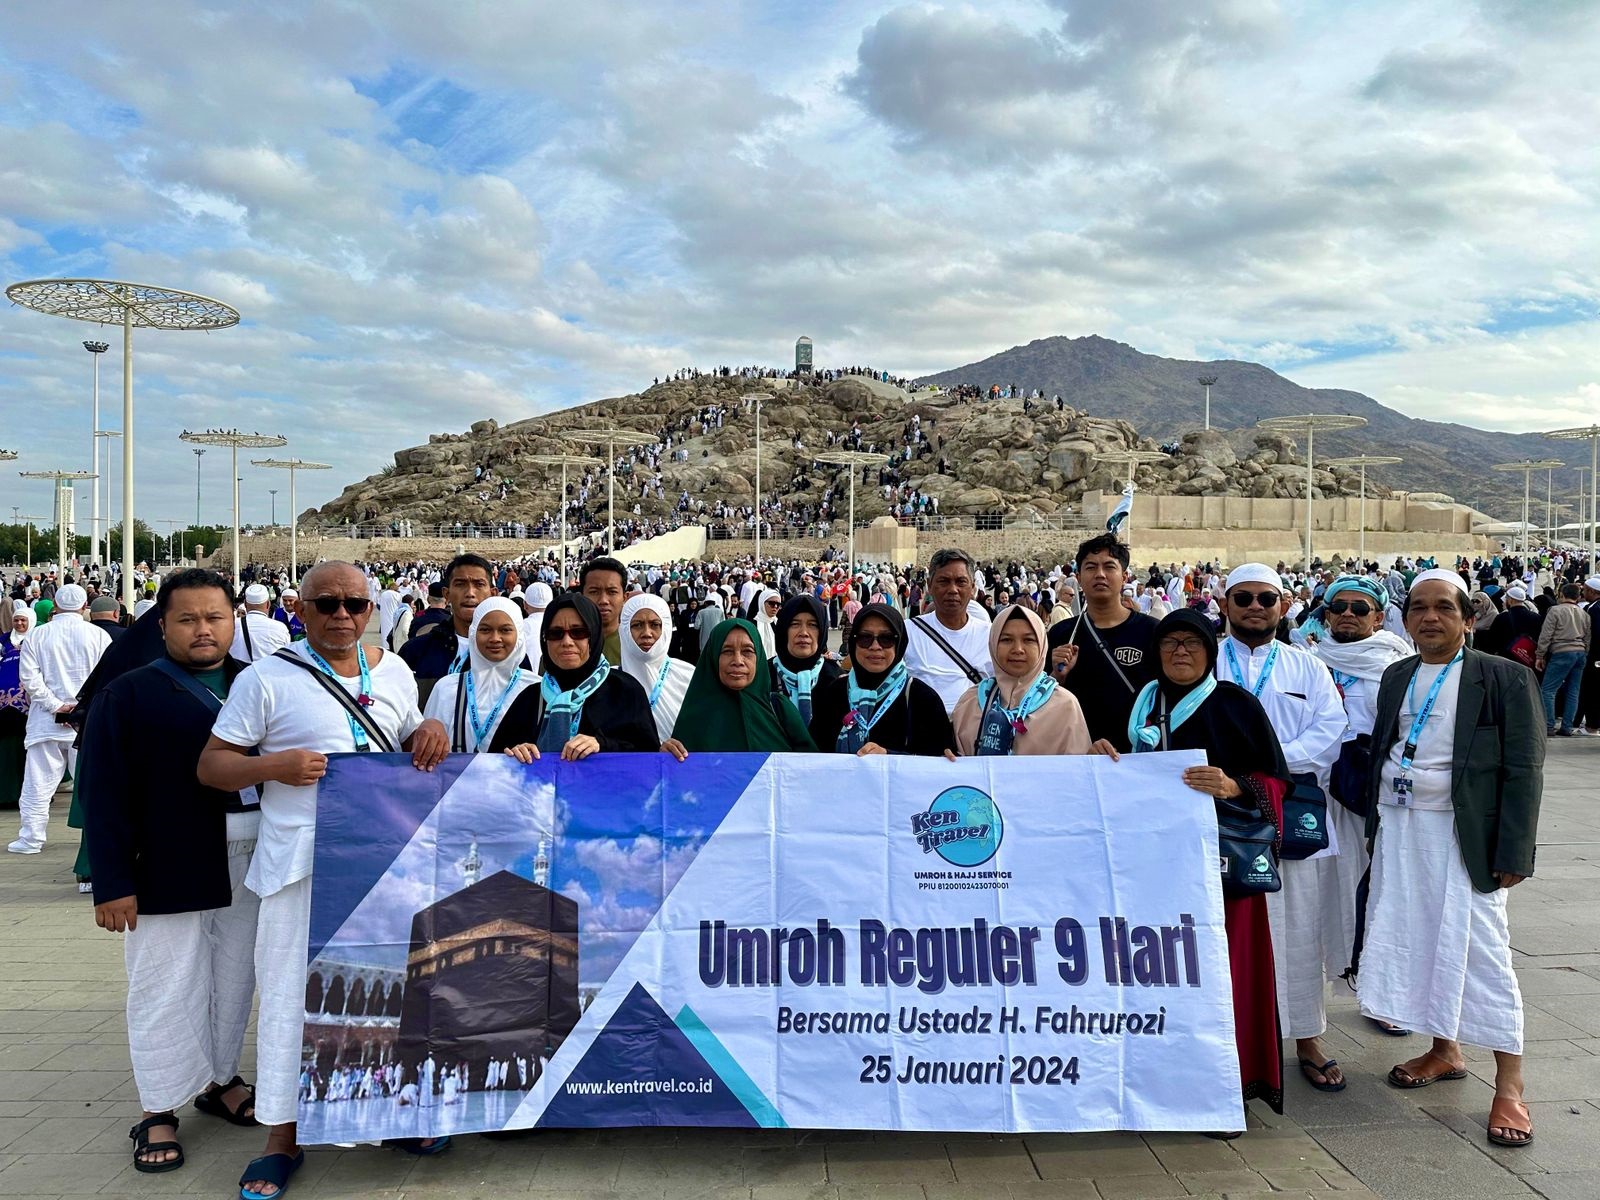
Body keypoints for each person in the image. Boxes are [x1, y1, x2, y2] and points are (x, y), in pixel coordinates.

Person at [198, 561, 451, 1196]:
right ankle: (282, 1135)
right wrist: (273, 766)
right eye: (328, 603)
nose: (342, 615)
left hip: (384, 860)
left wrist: (428, 727)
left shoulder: (392, 671)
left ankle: (389, 1114)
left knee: (390, 992)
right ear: (301, 610)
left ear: (372, 610)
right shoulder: (266, 678)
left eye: (355, 604)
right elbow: (212, 766)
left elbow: (407, 736)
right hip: (301, 867)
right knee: (291, 999)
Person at [80, 570, 261, 1175]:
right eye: (188, 619)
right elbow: (102, 791)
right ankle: (157, 1108)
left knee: (233, 977)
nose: (203, 630)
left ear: (234, 622)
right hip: (165, 860)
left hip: (253, 858)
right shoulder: (128, 693)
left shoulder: (259, 682)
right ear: (162, 626)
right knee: (165, 982)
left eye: (215, 617)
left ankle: (221, 1078)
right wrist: (112, 883)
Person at [1357, 568, 1543, 1150]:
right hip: (1400, 829)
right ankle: (1444, 1049)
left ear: (1468, 619)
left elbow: (1525, 768)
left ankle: (1509, 1085)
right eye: (1418, 607)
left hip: (1466, 838)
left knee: (1482, 952)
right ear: (1405, 617)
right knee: (1419, 939)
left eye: (1444, 607)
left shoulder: (1504, 677)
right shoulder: (1397, 674)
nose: (1430, 617)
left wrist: (1514, 849)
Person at [1106, 607, 1288, 1128]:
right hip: (1152, 867)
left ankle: (1225, 1088)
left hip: (1221, 870)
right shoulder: (1139, 705)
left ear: (1210, 651)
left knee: (1225, 974)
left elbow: (1277, 780)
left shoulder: (1235, 704)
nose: (1180, 651)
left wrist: (1233, 785)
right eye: (1170, 643)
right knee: (1160, 975)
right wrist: (1103, 752)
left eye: (1192, 642)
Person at [1217, 563, 1348, 1094]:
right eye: (1243, 597)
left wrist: (1264, 771)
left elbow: (1330, 731)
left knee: (1300, 929)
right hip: (1224, 816)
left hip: (1290, 813)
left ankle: (1307, 1038)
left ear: (1284, 605)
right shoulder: (1207, 663)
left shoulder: (1307, 667)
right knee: (1231, 932)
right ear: (1224, 605)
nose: (1255, 607)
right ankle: (1231, 1040)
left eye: (1265, 598)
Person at [1309, 575, 1413, 1037]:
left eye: (1360, 608)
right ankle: (1308, 997)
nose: (1348, 615)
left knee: (1379, 894)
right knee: (1315, 898)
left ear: (1378, 616)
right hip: (1316, 794)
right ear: (1327, 614)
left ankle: (1380, 993)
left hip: (1370, 797)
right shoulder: (1308, 662)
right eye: (1340, 607)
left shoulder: (1397, 666)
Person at [491, 594, 658, 760]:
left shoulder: (625, 691)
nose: (567, 642)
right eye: (555, 633)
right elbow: (495, 760)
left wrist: (602, 744)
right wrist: (515, 754)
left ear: (593, 636)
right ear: (545, 639)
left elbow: (650, 756)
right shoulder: (531, 698)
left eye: (578, 632)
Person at [9, 584, 111, 854]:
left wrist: (56, 706)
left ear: (55, 605)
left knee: (37, 785)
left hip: (46, 720)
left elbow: (29, 679)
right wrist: (78, 708)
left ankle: (30, 839)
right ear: (84, 606)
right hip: (86, 722)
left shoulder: (37, 635)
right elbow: (106, 678)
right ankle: (100, 841)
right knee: (94, 785)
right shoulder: (99, 636)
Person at [1047, 534, 1158, 752]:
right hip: (1077, 753)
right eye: (1091, 567)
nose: (1100, 574)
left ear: (1124, 576)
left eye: (1109, 567)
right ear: (1079, 578)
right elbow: (1039, 702)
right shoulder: (1061, 634)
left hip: (1136, 755)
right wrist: (1056, 676)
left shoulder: (1152, 631)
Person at [809, 603, 954, 756]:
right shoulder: (834, 693)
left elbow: (936, 760)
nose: (875, 646)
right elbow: (814, 756)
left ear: (899, 644)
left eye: (886, 638)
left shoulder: (922, 699)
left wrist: (888, 756)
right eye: (865, 638)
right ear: (853, 642)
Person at [951, 604, 1091, 756]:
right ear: (993, 644)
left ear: (1042, 645)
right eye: (1006, 640)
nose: (1018, 649)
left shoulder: (1065, 706)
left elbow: (1079, 767)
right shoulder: (970, 702)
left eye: (1028, 640)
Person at [666, 618, 816, 754]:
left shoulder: (779, 709)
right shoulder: (693, 717)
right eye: (727, 651)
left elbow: (811, 766)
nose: (738, 661)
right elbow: (678, 772)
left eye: (747, 651)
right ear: (713, 657)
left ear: (759, 657)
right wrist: (666, 758)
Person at [421, 598, 534, 753]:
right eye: (485, 630)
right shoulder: (447, 689)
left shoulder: (535, 689)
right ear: (473, 633)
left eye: (505, 630)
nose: (495, 638)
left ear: (519, 634)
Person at [904, 549, 993, 715]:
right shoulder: (908, 632)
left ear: (973, 587)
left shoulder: (991, 636)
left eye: (961, 582)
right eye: (944, 581)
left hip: (974, 728)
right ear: (930, 586)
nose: (953, 590)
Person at [400, 554, 494, 704]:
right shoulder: (415, 651)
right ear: (447, 594)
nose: (470, 593)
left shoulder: (510, 655)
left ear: (492, 594)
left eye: (479, 584)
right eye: (460, 584)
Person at [619, 594, 694, 743]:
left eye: (655, 625)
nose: (646, 633)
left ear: (665, 628)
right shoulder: (609, 682)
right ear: (625, 630)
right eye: (637, 625)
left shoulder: (688, 675)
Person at [769, 595, 841, 725]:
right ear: (784, 629)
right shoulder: (763, 675)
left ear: (821, 631)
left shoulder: (836, 680)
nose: (804, 632)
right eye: (795, 624)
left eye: (812, 625)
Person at [1534, 582, 1590, 736]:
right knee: (1573, 691)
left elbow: (1546, 634)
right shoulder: (1584, 613)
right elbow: (1587, 637)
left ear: (1562, 595)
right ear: (1577, 596)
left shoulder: (1555, 610)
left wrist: (1540, 654)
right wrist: (1585, 652)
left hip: (1561, 651)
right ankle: (1567, 726)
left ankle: (1548, 725)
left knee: (1548, 690)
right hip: (1580, 652)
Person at [0, 606, 34, 812]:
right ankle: (6, 794)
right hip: (4, 706)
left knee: (26, 749)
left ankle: (26, 795)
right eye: (16, 620)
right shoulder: (4, 641)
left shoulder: (36, 639)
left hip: (29, 704)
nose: (20, 624)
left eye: (23, 620)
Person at [579, 557, 629, 666]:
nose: (603, 600)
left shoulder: (636, 645)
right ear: (581, 596)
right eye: (594, 592)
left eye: (612, 592)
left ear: (624, 597)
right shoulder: (565, 644)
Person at [231, 584, 290, 665]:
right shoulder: (280, 628)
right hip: (269, 672)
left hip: (238, 672)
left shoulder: (232, 625)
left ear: (245, 604)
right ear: (268, 604)